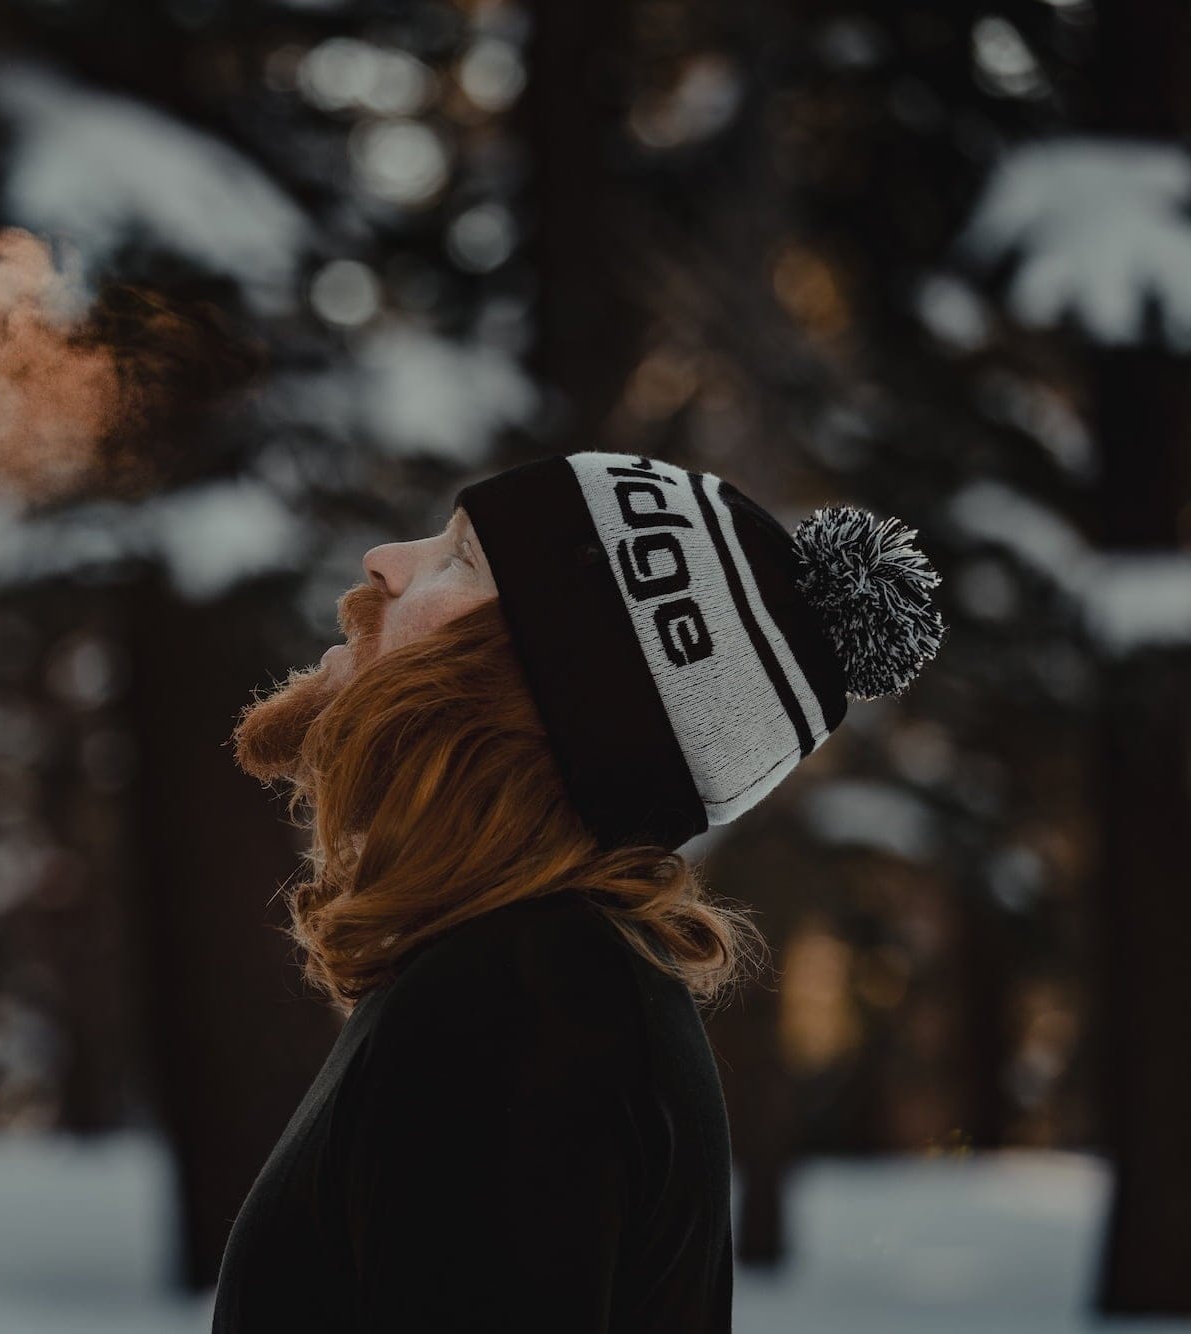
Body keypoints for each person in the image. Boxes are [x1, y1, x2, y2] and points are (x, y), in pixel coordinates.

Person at [213, 451, 946, 1332]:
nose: (385, 560)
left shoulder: (521, 1007)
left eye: (463, 560)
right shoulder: (529, 981)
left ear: (536, 699)